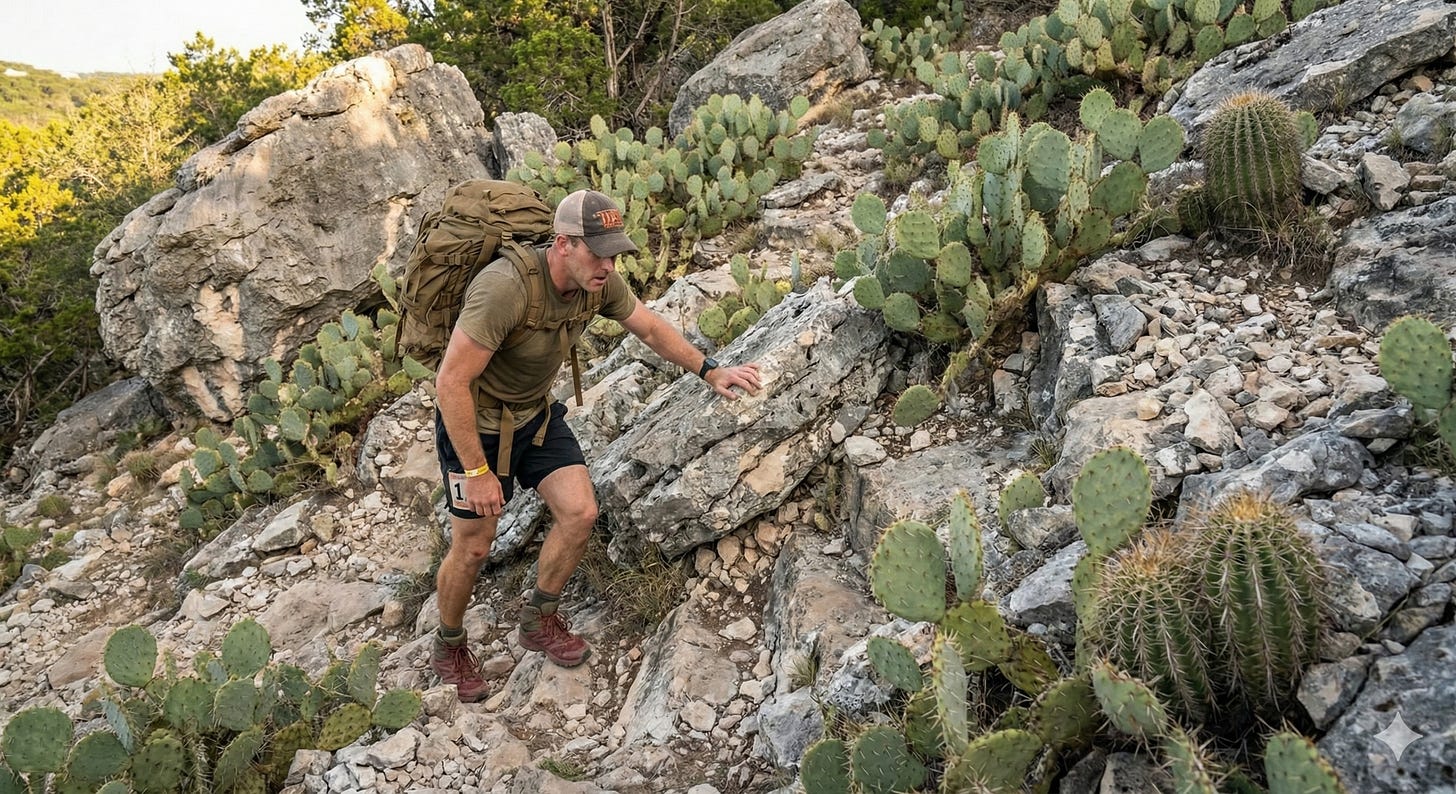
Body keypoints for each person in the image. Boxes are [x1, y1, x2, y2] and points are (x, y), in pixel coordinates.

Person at [429, 189, 763, 702]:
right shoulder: (504, 288)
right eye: (598, 253)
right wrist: (476, 472)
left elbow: (649, 327)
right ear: (563, 244)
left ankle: (538, 619)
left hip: (535, 417)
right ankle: (449, 644)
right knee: (474, 546)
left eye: (614, 254)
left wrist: (710, 369)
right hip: (476, 425)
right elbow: (451, 382)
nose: (608, 265)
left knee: (580, 512)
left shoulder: (598, 283)